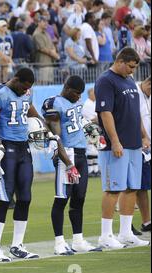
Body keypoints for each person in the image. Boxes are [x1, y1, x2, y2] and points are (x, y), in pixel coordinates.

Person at [0, 68, 80, 262]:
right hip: (7, 148)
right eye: (23, 87)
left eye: (28, 88)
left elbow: (35, 115)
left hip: (24, 149)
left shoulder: (26, 93)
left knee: (25, 197)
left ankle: (17, 245)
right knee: (4, 198)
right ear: (16, 80)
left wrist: (50, 134)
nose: (25, 91)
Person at [95, 47, 150, 249]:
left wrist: (144, 135)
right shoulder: (105, 81)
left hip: (134, 143)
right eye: (131, 67)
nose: (132, 71)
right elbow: (105, 113)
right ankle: (105, 235)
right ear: (121, 61)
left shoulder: (129, 81)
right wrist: (115, 141)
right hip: (115, 145)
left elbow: (135, 112)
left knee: (132, 187)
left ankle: (126, 233)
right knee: (113, 189)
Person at [42, 75, 101, 255]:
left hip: (81, 152)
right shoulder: (54, 103)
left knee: (79, 198)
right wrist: (67, 162)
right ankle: (59, 243)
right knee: (62, 198)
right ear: (67, 88)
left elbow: (76, 122)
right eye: (76, 93)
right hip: (67, 154)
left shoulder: (75, 102)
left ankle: (78, 240)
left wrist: (89, 129)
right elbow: (55, 136)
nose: (78, 97)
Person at [136, 76, 151, 232]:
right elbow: (136, 118)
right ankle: (147, 222)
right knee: (142, 186)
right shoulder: (134, 92)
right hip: (142, 147)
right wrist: (144, 137)